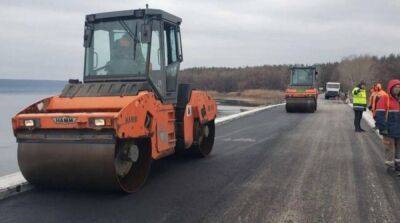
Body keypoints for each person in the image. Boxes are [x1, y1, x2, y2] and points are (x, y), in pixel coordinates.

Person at [375, 79, 400, 169]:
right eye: (395, 87)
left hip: (398, 129)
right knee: (390, 148)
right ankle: (390, 164)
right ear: (391, 88)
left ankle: (398, 164)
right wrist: (382, 128)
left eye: (399, 87)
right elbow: (380, 115)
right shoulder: (385, 99)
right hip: (388, 129)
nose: (397, 89)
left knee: (398, 148)